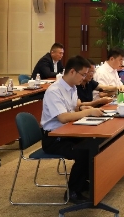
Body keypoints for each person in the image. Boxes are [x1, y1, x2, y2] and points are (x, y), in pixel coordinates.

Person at [41, 56, 104, 202]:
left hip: (68, 131)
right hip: (53, 137)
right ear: (72, 72)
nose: (84, 78)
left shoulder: (72, 87)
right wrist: (88, 112)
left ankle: (84, 182)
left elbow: (74, 108)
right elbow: (63, 117)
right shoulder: (54, 91)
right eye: (83, 74)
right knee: (84, 152)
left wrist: (82, 108)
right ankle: (73, 192)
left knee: (94, 144)